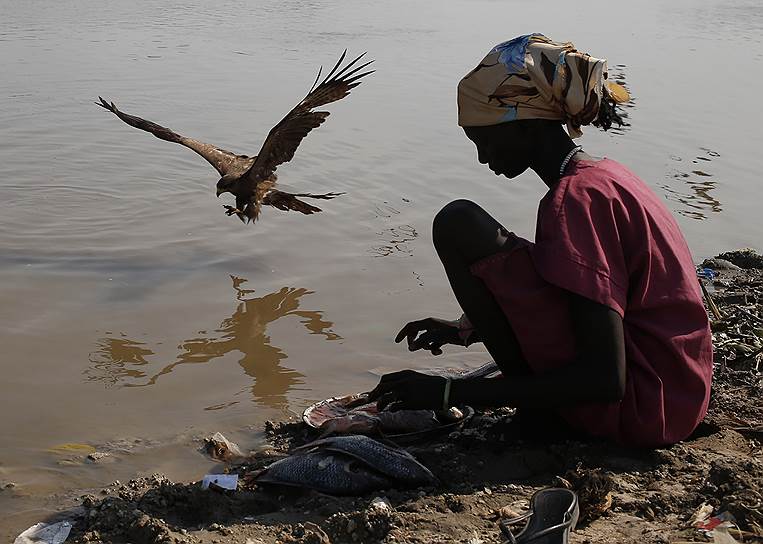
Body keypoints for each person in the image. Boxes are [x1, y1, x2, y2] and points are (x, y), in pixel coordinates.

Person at [368, 34, 713, 447]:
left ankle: (541, 416)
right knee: (477, 233)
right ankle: (535, 399)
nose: (482, 157)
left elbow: (605, 380)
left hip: (642, 410)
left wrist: (447, 392)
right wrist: (469, 329)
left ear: (527, 126)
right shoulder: (605, 177)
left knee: (458, 223)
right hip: (678, 394)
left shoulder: (575, 202)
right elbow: (589, 303)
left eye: (484, 139)